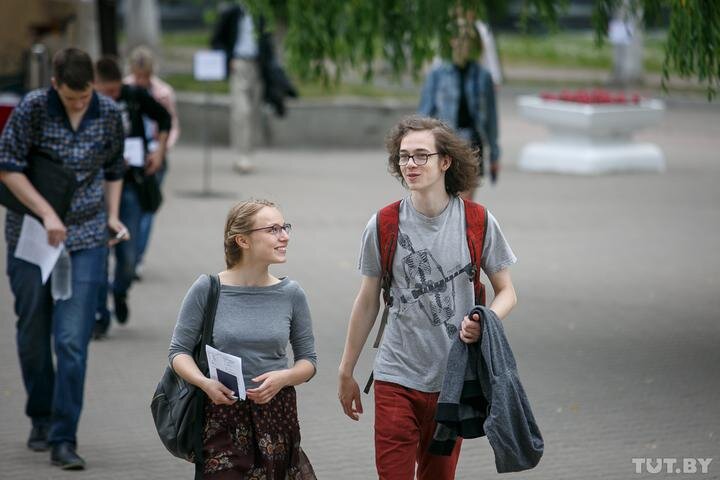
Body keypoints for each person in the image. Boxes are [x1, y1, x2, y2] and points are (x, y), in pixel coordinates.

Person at [338, 116, 518, 479]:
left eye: (421, 156)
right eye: (404, 157)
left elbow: (507, 292)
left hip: (452, 382)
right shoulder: (384, 224)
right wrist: (346, 370)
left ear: (445, 161)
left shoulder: (478, 222)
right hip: (395, 375)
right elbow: (368, 300)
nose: (410, 165)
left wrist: (486, 319)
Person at [0, 47, 127, 470]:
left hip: (87, 235)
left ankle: (64, 436)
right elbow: (8, 167)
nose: (79, 103)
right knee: (33, 331)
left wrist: (112, 216)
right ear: (55, 85)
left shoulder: (108, 113)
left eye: (85, 96)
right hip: (32, 237)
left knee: (72, 339)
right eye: (72, 97)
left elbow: (113, 169)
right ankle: (41, 414)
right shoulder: (32, 109)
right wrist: (47, 212)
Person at [168, 199, 318, 479]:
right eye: (272, 229)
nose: (284, 236)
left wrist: (283, 378)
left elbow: (308, 362)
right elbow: (178, 352)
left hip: (276, 414)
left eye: (284, 227)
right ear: (243, 240)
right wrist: (204, 383)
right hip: (221, 415)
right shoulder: (208, 288)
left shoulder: (291, 293)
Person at [93, 55, 171, 337]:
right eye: (106, 92)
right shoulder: (88, 103)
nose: (112, 97)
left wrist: (159, 151)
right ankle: (99, 315)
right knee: (97, 254)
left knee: (128, 254)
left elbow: (164, 118)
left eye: (115, 91)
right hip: (98, 187)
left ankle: (121, 290)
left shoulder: (135, 96)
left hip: (131, 185)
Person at [418, 18, 500, 191]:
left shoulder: (483, 76)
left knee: (465, 202)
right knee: (447, 196)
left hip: (472, 143)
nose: (463, 43)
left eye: (468, 39)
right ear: (450, 41)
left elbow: (491, 118)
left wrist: (494, 154)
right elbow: (424, 115)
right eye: (459, 37)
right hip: (445, 141)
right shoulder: (437, 74)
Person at [124, 46, 181, 279]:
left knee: (148, 206)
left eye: (145, 77)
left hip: (155, 153)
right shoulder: (124, 90)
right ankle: (126, 255)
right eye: (137, 76)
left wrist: (161, 150)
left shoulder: (163, 93)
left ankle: (137, 257)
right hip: (130, 156)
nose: (140, 81)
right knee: (129, 207)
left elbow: (172, 125)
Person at [211, 2, 262, 174]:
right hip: (238, 64)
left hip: (257, 65)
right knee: (242, 110)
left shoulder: (261, 14)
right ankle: (241, 155)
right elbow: (217, 40)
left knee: (253, 111)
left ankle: (249, 152)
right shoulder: (232, 12)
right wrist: (228, 59)